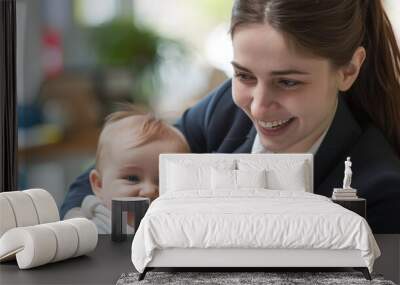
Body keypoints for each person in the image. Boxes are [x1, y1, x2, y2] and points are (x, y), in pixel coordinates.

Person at [61, 0, 400, 234]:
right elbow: (106, 173)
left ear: (349, 69)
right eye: (244, 76)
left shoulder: (379, 191)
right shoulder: (224, 109)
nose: (257, 107)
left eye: (287, 81)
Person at [62, 107, 190, 233]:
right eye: (132, 178)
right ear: (99, 185)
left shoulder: (182, 227)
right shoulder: (90, 227)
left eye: (164, 181)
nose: (149, 191)